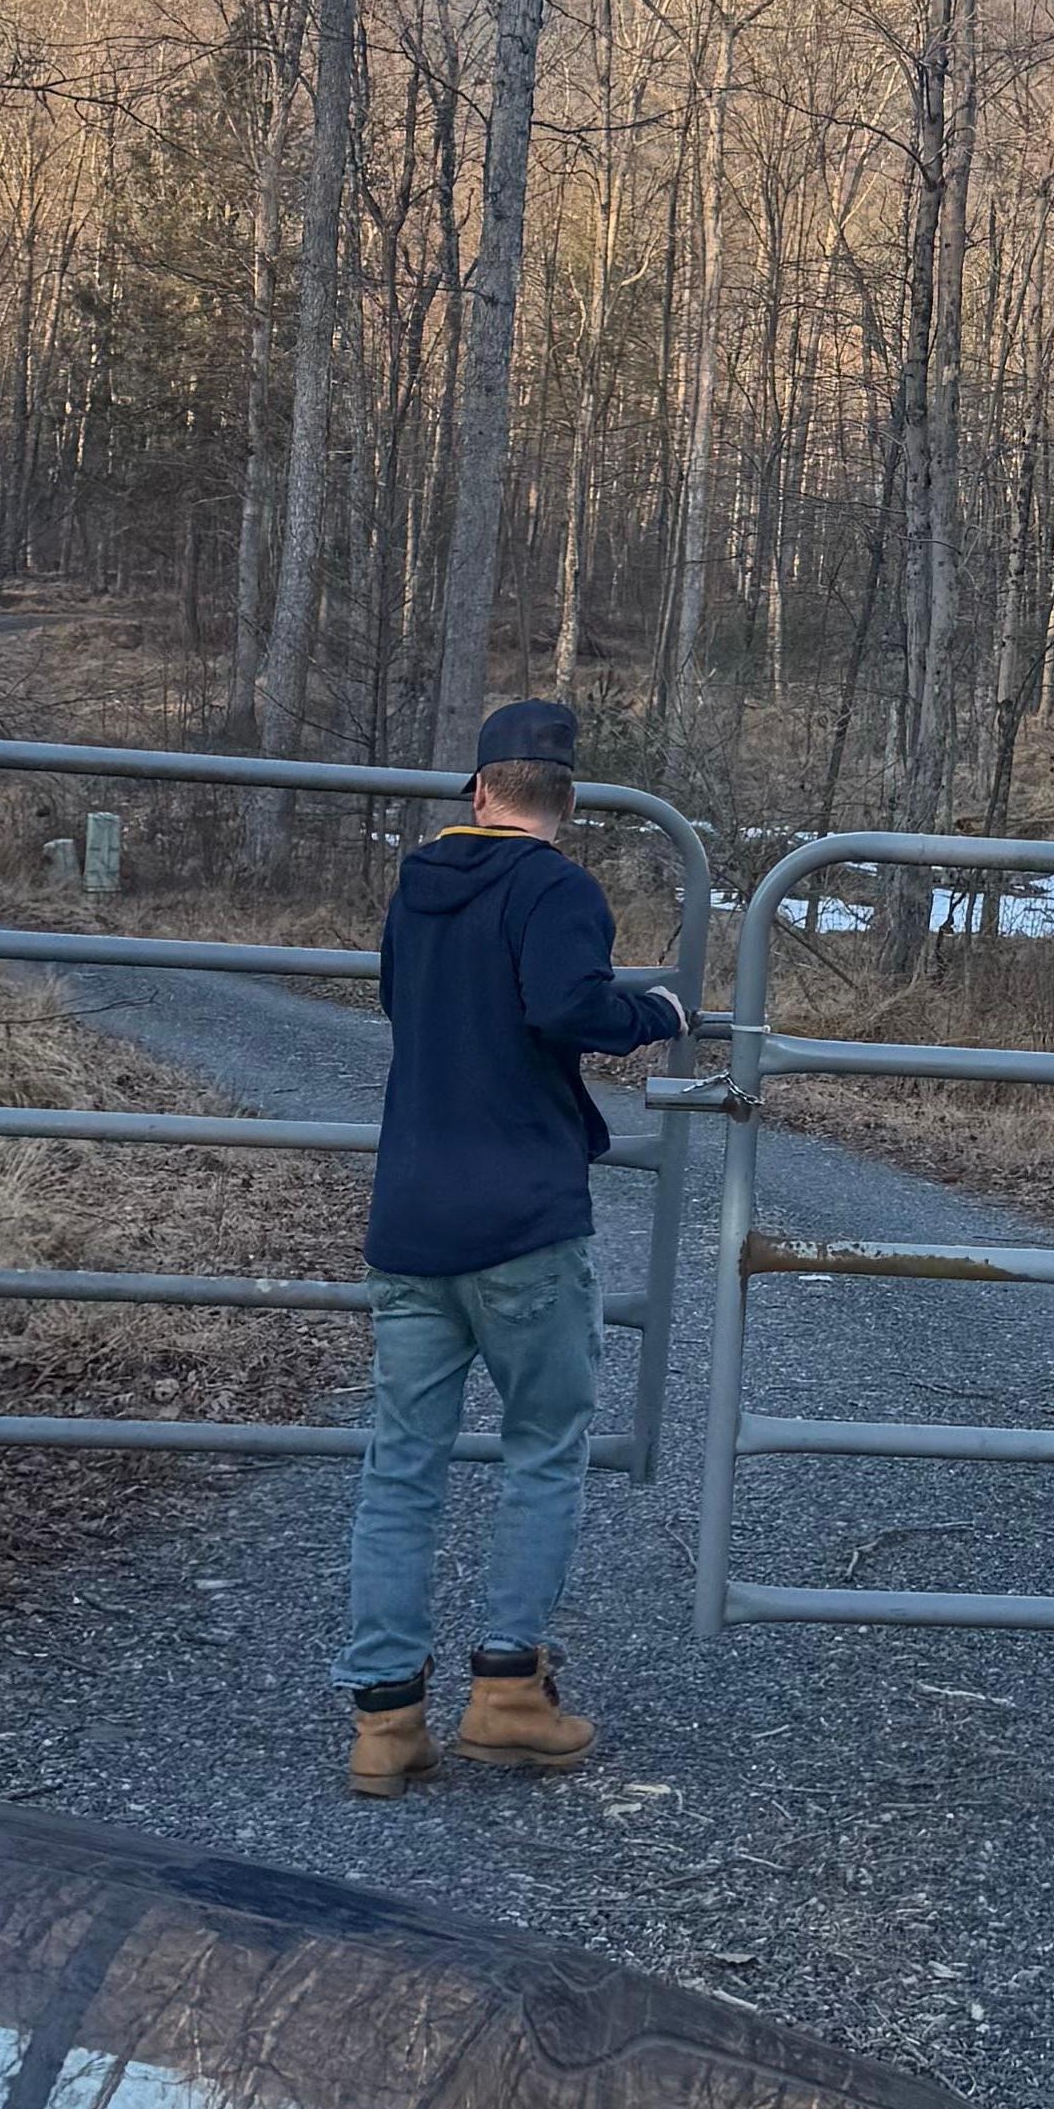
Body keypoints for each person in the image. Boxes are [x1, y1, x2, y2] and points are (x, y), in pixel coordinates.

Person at [340, 698, 688, 1797]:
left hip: (411, 1215)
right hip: (524, 1220)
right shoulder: (556, 886)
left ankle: (386, 1724)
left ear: (480, 788)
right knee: (542, 1448)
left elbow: (403, 1001)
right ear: (567, 799)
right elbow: (566, 1008)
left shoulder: (416, 886)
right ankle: (507, 1691)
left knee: (401, 1468)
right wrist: (661, 1016)